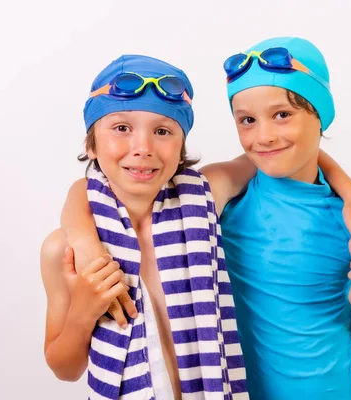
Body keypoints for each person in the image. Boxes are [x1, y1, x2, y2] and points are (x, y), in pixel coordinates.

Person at [40, 54, 249, 400]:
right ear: (91, 144)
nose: (143, 148)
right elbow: (64, 369)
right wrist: (83, 311)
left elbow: (268, 152)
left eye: (163, 131)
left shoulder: (205, 195)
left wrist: (349, 190)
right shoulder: (64, 251)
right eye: (122, 128)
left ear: (181, 146)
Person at [218, 36, 351, 399]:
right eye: (247, 120)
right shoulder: (223, 209)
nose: (264, 136)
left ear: (320, 115)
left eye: (282, 115)